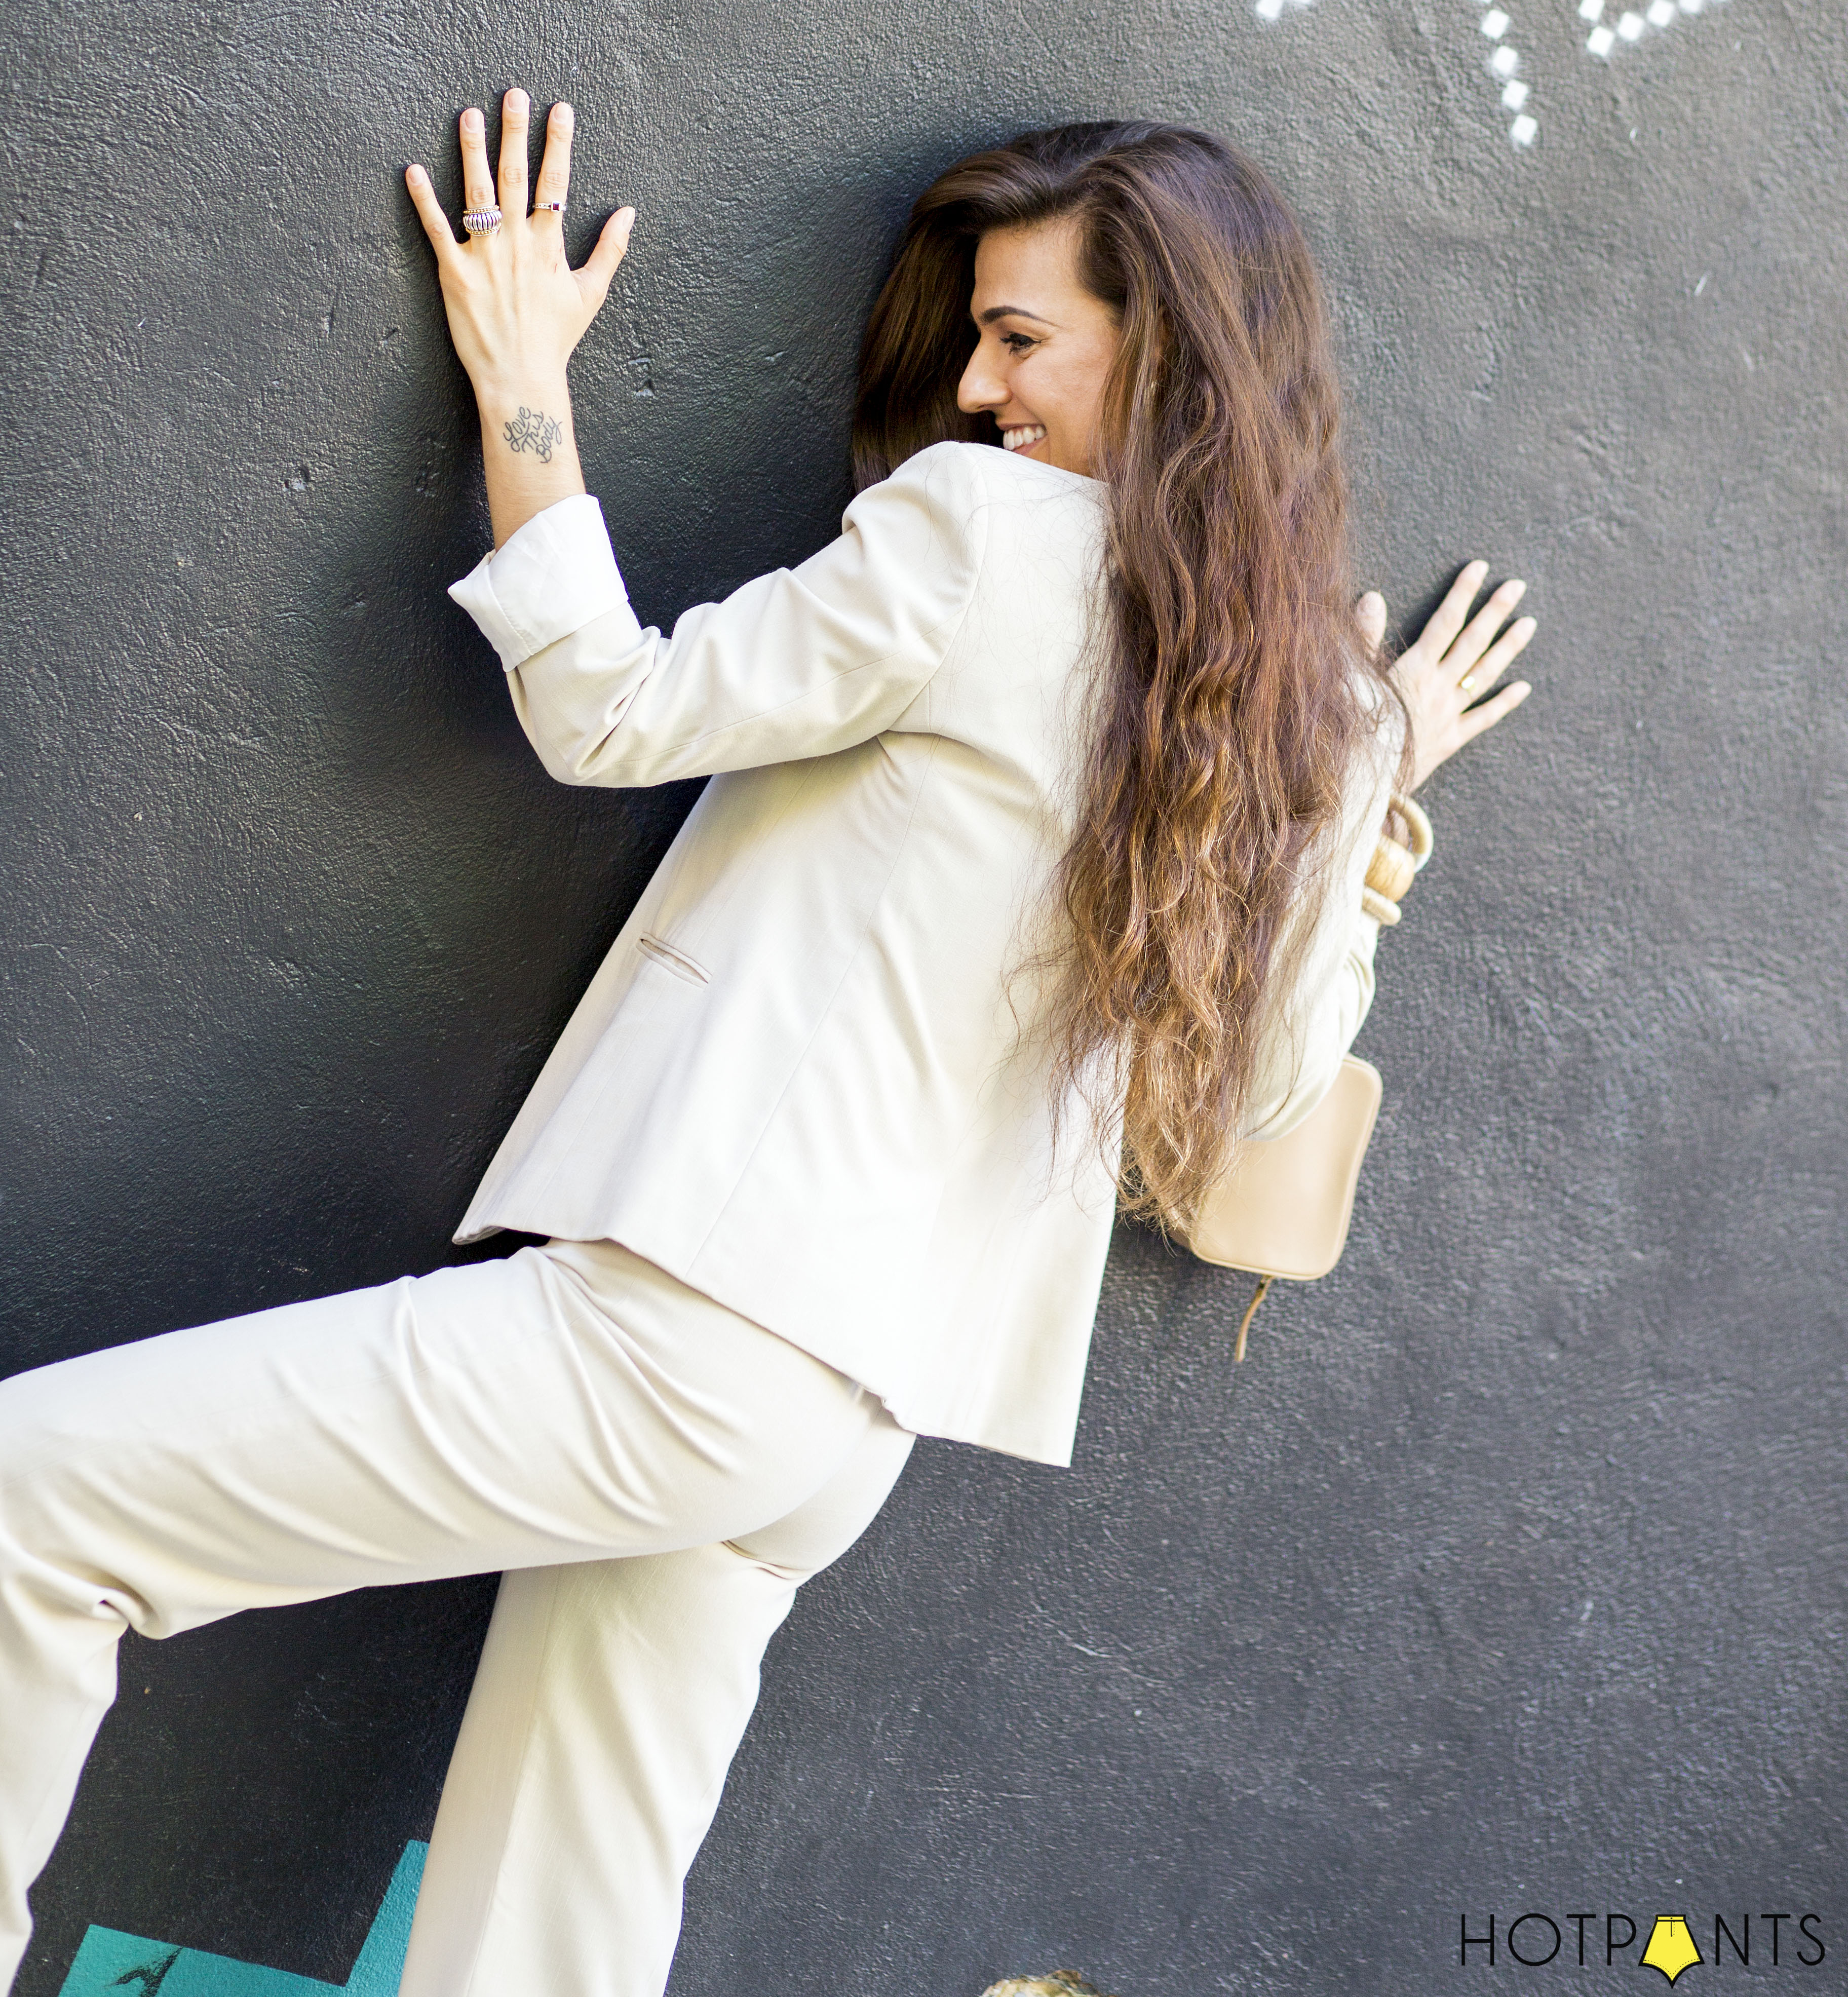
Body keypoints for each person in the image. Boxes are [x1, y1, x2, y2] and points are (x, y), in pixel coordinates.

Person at [0, 100, 1535, 1997]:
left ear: (1169, 351)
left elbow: (610, 704)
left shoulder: (984, 538)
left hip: (694, 1332)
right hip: (843, 1432)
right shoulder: (1322, 718)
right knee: (547, 1944)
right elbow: (1249, 1108)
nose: (978, 389)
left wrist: (528, 389)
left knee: (27, 1502)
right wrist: (1368, 826)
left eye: (1022, 337)